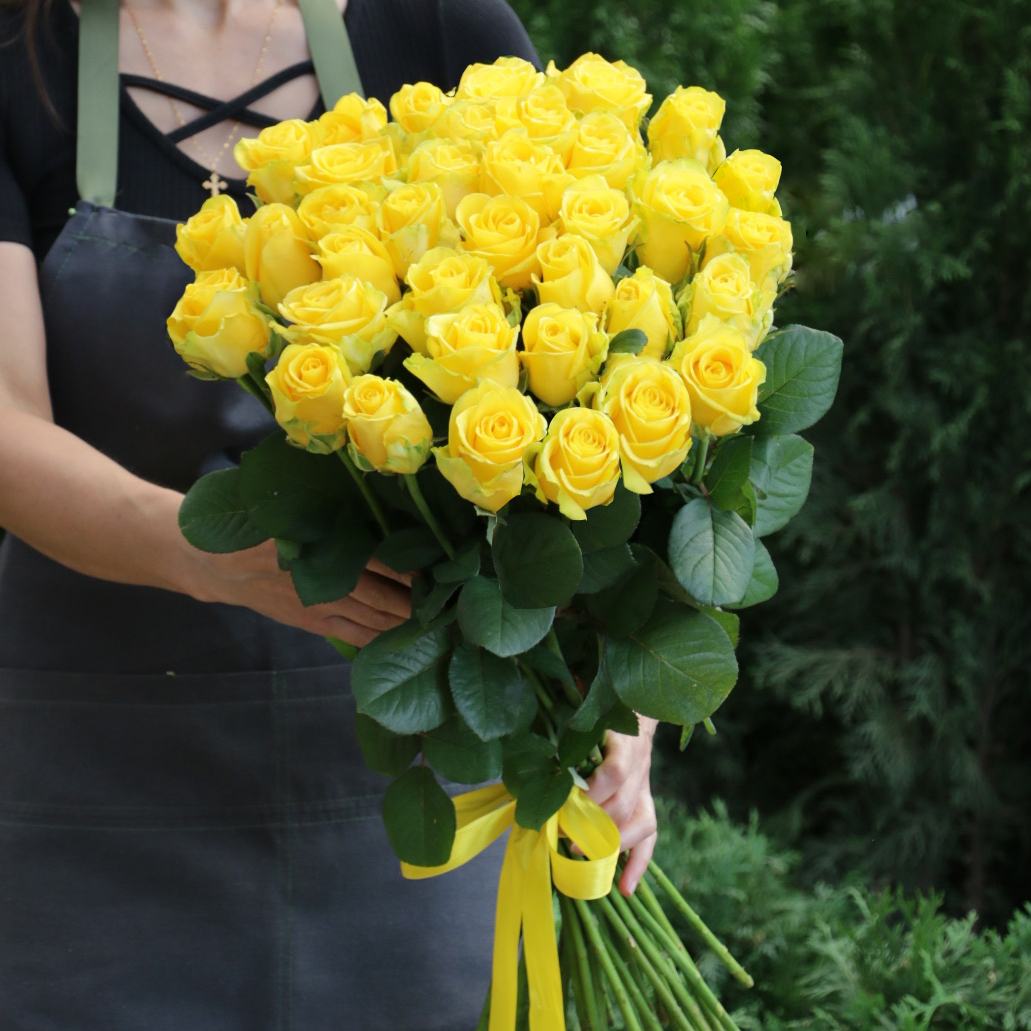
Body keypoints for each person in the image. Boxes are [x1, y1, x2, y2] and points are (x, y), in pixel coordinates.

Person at [0, 0, 658, 1026]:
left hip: (410, 808)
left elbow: (591, 378)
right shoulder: (14, 56)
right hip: (94, 795)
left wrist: (617, 698)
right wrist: (206, 554)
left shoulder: (442, 31)